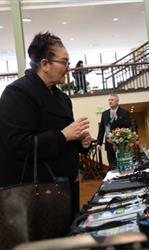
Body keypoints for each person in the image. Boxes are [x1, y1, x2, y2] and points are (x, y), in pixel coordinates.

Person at [0, 32, 92, 219]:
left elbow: (65, 141)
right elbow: (18, 144)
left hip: (66, 187)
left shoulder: (62, 98)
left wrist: (81, 143)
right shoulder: (17, 93)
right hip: (36, 193)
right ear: (45, 64)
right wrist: (64, 135)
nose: (68, 68)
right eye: (64, 62)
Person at [97, 94, 130, 169]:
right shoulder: (104, 113)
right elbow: (102, 128)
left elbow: (128, 125)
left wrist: (117, 118)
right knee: (112, 164)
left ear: (117, 101)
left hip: (120, 143)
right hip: (109, 142)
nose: (110, 102)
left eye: (112, 100)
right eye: (109, 100)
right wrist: (99, 143)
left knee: (122, 163)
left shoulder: (124, 112)